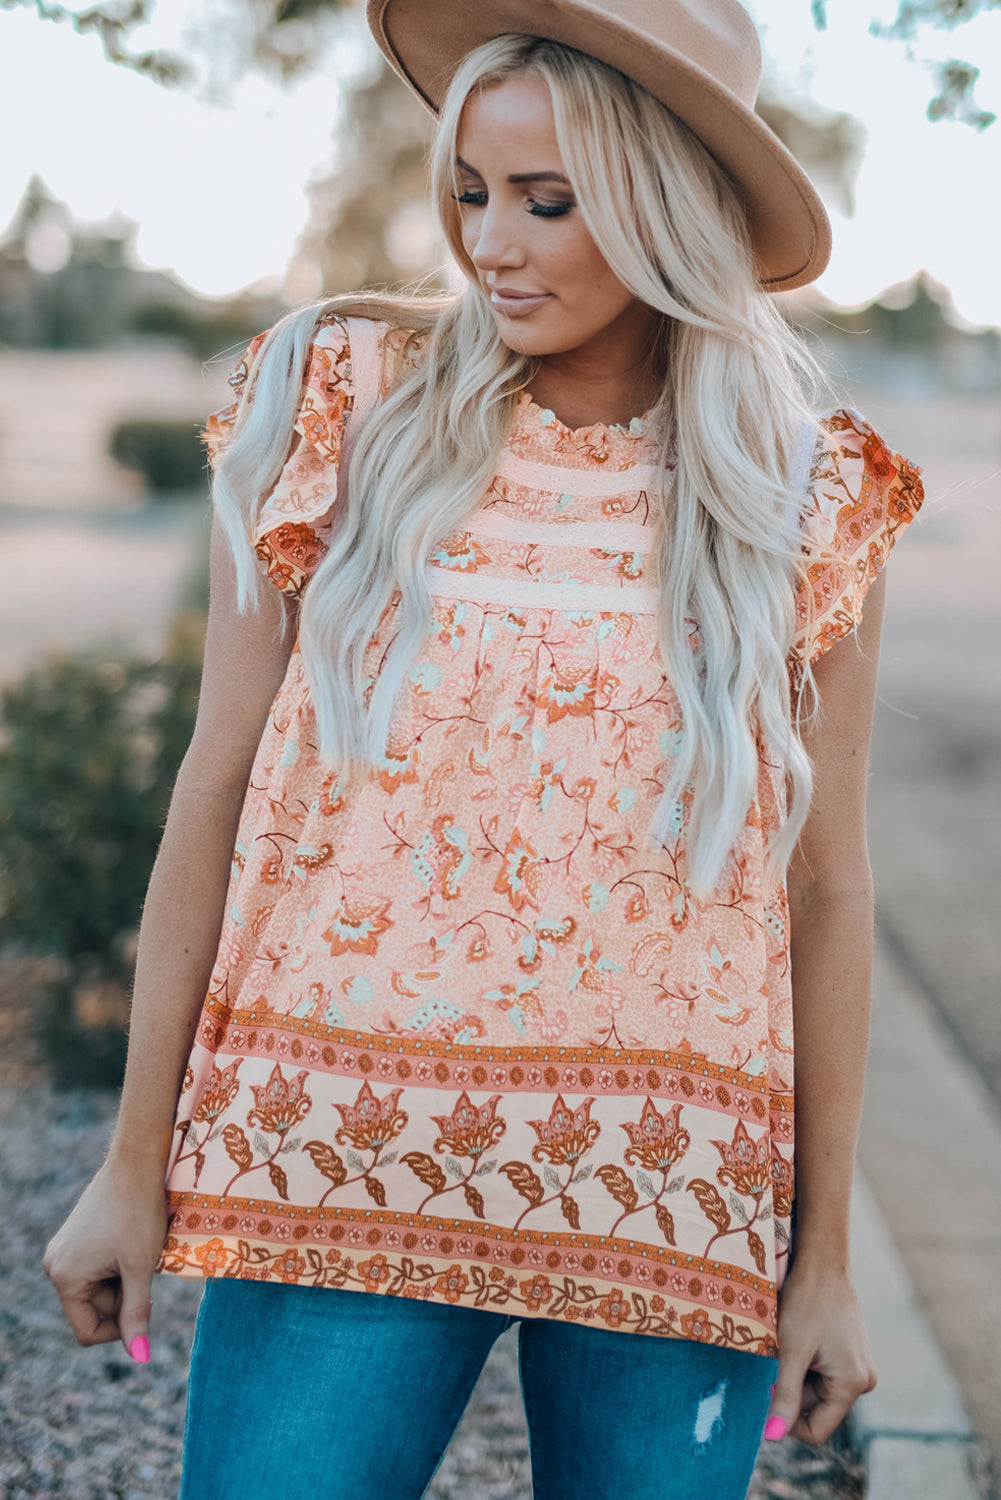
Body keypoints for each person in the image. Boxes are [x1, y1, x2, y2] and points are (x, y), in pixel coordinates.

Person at [42, 0, 926, 1495]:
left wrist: (821, 1253)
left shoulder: (806, 488)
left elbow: (827, 886)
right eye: (468, 192)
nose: (488, 245)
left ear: (663, 208)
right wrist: (133, 1167)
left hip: (670, 1188)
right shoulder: (340, 402)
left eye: (548, 201)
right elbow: (221, 786)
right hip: (338, 1154)